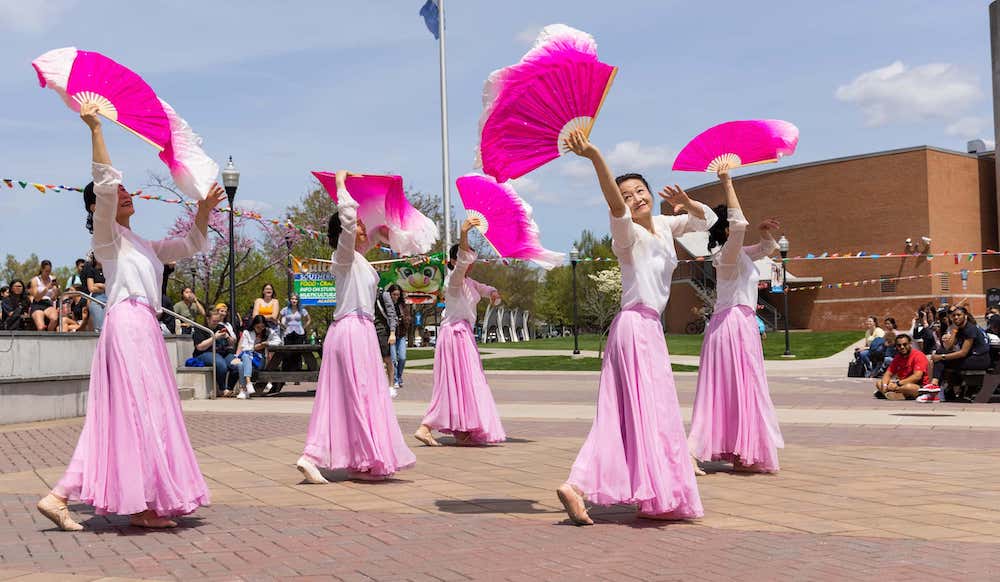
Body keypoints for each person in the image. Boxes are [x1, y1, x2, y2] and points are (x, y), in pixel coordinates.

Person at [37, 102, 222, 531]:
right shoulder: (109, 240)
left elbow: (192, 244)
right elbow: (104, 185)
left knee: (136, 414)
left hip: (145, 330)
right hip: (127, 326)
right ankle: (141, 505)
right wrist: (96, 129)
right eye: (119, 193)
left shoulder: (143, 244)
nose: (125, 193)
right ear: (99, 209)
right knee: (140, 412)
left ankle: (64, 494)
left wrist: (203, 209)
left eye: (126, 190)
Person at [555, 130, 708, 526]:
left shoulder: (663, 225)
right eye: (628, 195)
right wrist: (594, 157)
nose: (635, 198)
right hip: (635, 327)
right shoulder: (627, 234)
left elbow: (704, 220)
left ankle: (615, 488)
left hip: (647, 329)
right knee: (642, 413)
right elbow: (614, 204)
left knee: (638, 415)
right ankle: (581, 483)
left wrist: (687, 202)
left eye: (640, 190)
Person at [295, 170, 415, 484]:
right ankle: (319, 456)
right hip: (351, 329)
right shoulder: (343, 256)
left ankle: (354, 458)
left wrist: (390, 228)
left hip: (357, 330)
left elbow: (379, 235)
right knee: (359, 394)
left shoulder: (358, 259)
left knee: (354, 396)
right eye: (357, 223)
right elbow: (349, 225)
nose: (362, 225)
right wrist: (340, 186)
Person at [688, 169, 784, 474]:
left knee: (742, 387)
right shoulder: (725, 256)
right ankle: (691, 452)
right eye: (731, 224)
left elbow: (768, 249)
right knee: (729, 388)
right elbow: (740, 225)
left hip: (740, 323)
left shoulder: (740, 253)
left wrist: (766, 231)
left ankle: (742, 450)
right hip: (730, 323)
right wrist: (727, 182)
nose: (737, 227)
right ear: (725, 230)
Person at [414, 218, 505, 448]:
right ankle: (426, 426)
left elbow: (486, 289)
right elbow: (463, 263)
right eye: (467, 257)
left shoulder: (469, 282)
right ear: (454, 260)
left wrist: (494, 293)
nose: (471, 261)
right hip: (454, 334)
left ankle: (461, 428)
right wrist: (464, 233)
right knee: (456, 383)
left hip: (462, 335)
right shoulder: (453, 280)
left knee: (463, 383)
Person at [920, 306, 991, 402]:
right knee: (940, 353)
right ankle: (934, 386)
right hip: (970, 358)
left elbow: (963, 353)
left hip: (979, 359)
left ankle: (935, 389)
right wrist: (954, 330)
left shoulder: (970, 329)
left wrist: (941, 357)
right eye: (953, 316)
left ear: (965, 316)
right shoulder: (959, 328)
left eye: (959, 315)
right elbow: (948, 347)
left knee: (940, 357)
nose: (956, 317)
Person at [193, 306, 239, 397]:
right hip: (204, 353)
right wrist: (214, 337)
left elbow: (232, 342)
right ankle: (222, 389)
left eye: (218, 321)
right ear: (208, 319)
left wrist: (228, 338)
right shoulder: (200, 329)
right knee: (220, 364)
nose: (216, 324)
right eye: (214, 321)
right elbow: (200, 347)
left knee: (237, 365)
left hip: (223, 352)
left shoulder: (221, 327)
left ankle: (229, 389)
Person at [234, 314, 278, 399]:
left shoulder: (268, 331)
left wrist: (267, 343)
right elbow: (244, 347)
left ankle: (245, 388)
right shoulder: (247, 332)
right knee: (241, 363)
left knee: (245, 358)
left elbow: (278, 341)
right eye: (258, 327)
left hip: (259, 361)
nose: (260, 329)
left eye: (262, 327)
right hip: (248, 359)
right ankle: (246, 387)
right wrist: (255, 347)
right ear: (254, 325)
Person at [874, 334, 928, 400]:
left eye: (905, 344)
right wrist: (885, 386)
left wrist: (897, 384)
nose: (902, 347)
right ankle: (898, 394)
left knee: (909, 387)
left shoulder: (918, 356)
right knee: (879, 383)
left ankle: (892, 393)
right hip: (901, 384)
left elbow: (917, 377)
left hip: (917, 385)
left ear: (910, 344)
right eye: (899, 345)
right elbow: (888, 374)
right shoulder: (897, 357)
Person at [373, 285, 399, 397]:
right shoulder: (363, 294)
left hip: (381, 330)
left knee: (387, 358)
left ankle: (391, 385)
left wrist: (392, 332)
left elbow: (391, 314)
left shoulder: (383, 295)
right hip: (368, 329)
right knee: (372, 359)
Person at [388, 284, 412, 390]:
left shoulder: (403, 305)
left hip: (401, 335)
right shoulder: (387, 305)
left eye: (398, 295)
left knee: (402, 357)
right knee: (393, 359)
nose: (396, 297)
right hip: (391, 335)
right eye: (394, 294)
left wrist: (404, 320)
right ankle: (395, 380)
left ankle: (399, 376)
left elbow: (409, 318)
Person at [29, 260, 60, 331]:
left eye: (49, 271)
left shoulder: (52, 278)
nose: (48, 273)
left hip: (48, 304)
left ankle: (49, 336)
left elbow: (54, 297)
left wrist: (56, 289)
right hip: (37, 304)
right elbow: (36, 298)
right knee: (41, 327)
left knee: (54, 319)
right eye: (46, 271)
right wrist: (47, 288)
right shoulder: (35, 280)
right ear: (42, 269)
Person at [82, 255, 107, 332]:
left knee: (109, 327)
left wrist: (98, 284)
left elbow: (111, 286)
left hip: (109, 299)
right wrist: (105, 287)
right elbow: (91, 288)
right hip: (96, 299)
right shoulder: (91, 270)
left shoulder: (108, 270)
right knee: (99, 327)